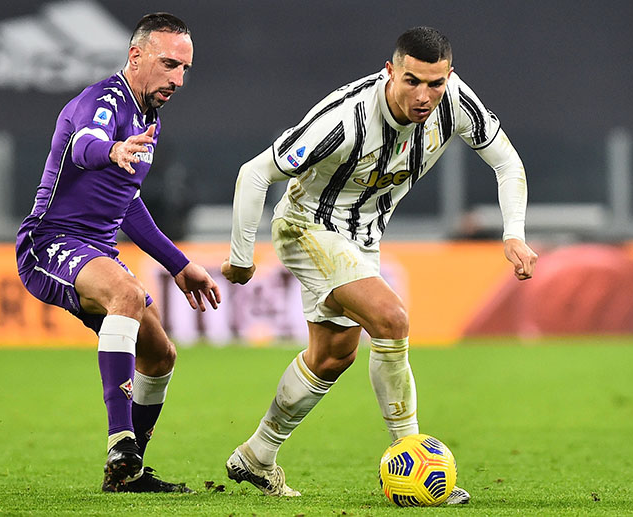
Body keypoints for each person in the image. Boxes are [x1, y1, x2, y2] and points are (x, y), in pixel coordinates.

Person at [221, 26, 538, 504]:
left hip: (363, 239)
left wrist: (513, 232)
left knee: (333, 356)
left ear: (449, 76)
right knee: (391, 319)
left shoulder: (456, 102)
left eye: (435, 83)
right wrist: (241, 257)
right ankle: (412, 455)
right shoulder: (345, 118)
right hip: (307, 226)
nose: (424, 96)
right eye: (412, 81)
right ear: (391, 71)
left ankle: (257, 454)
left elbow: (508, 163)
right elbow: (255, 173)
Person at [16, 13, 221, 493]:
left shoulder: (149, 121)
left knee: (160, 355)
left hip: (98, 251)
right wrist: (111, 151)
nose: (178, 79)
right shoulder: (104, 101)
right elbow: (85, 145)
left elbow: (126, 204)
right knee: (127, 293)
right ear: (136, 56)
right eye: (169, 64)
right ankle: (120, 441)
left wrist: (179, 265)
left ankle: (129, 472)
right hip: (51, 241)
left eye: (185, 69)